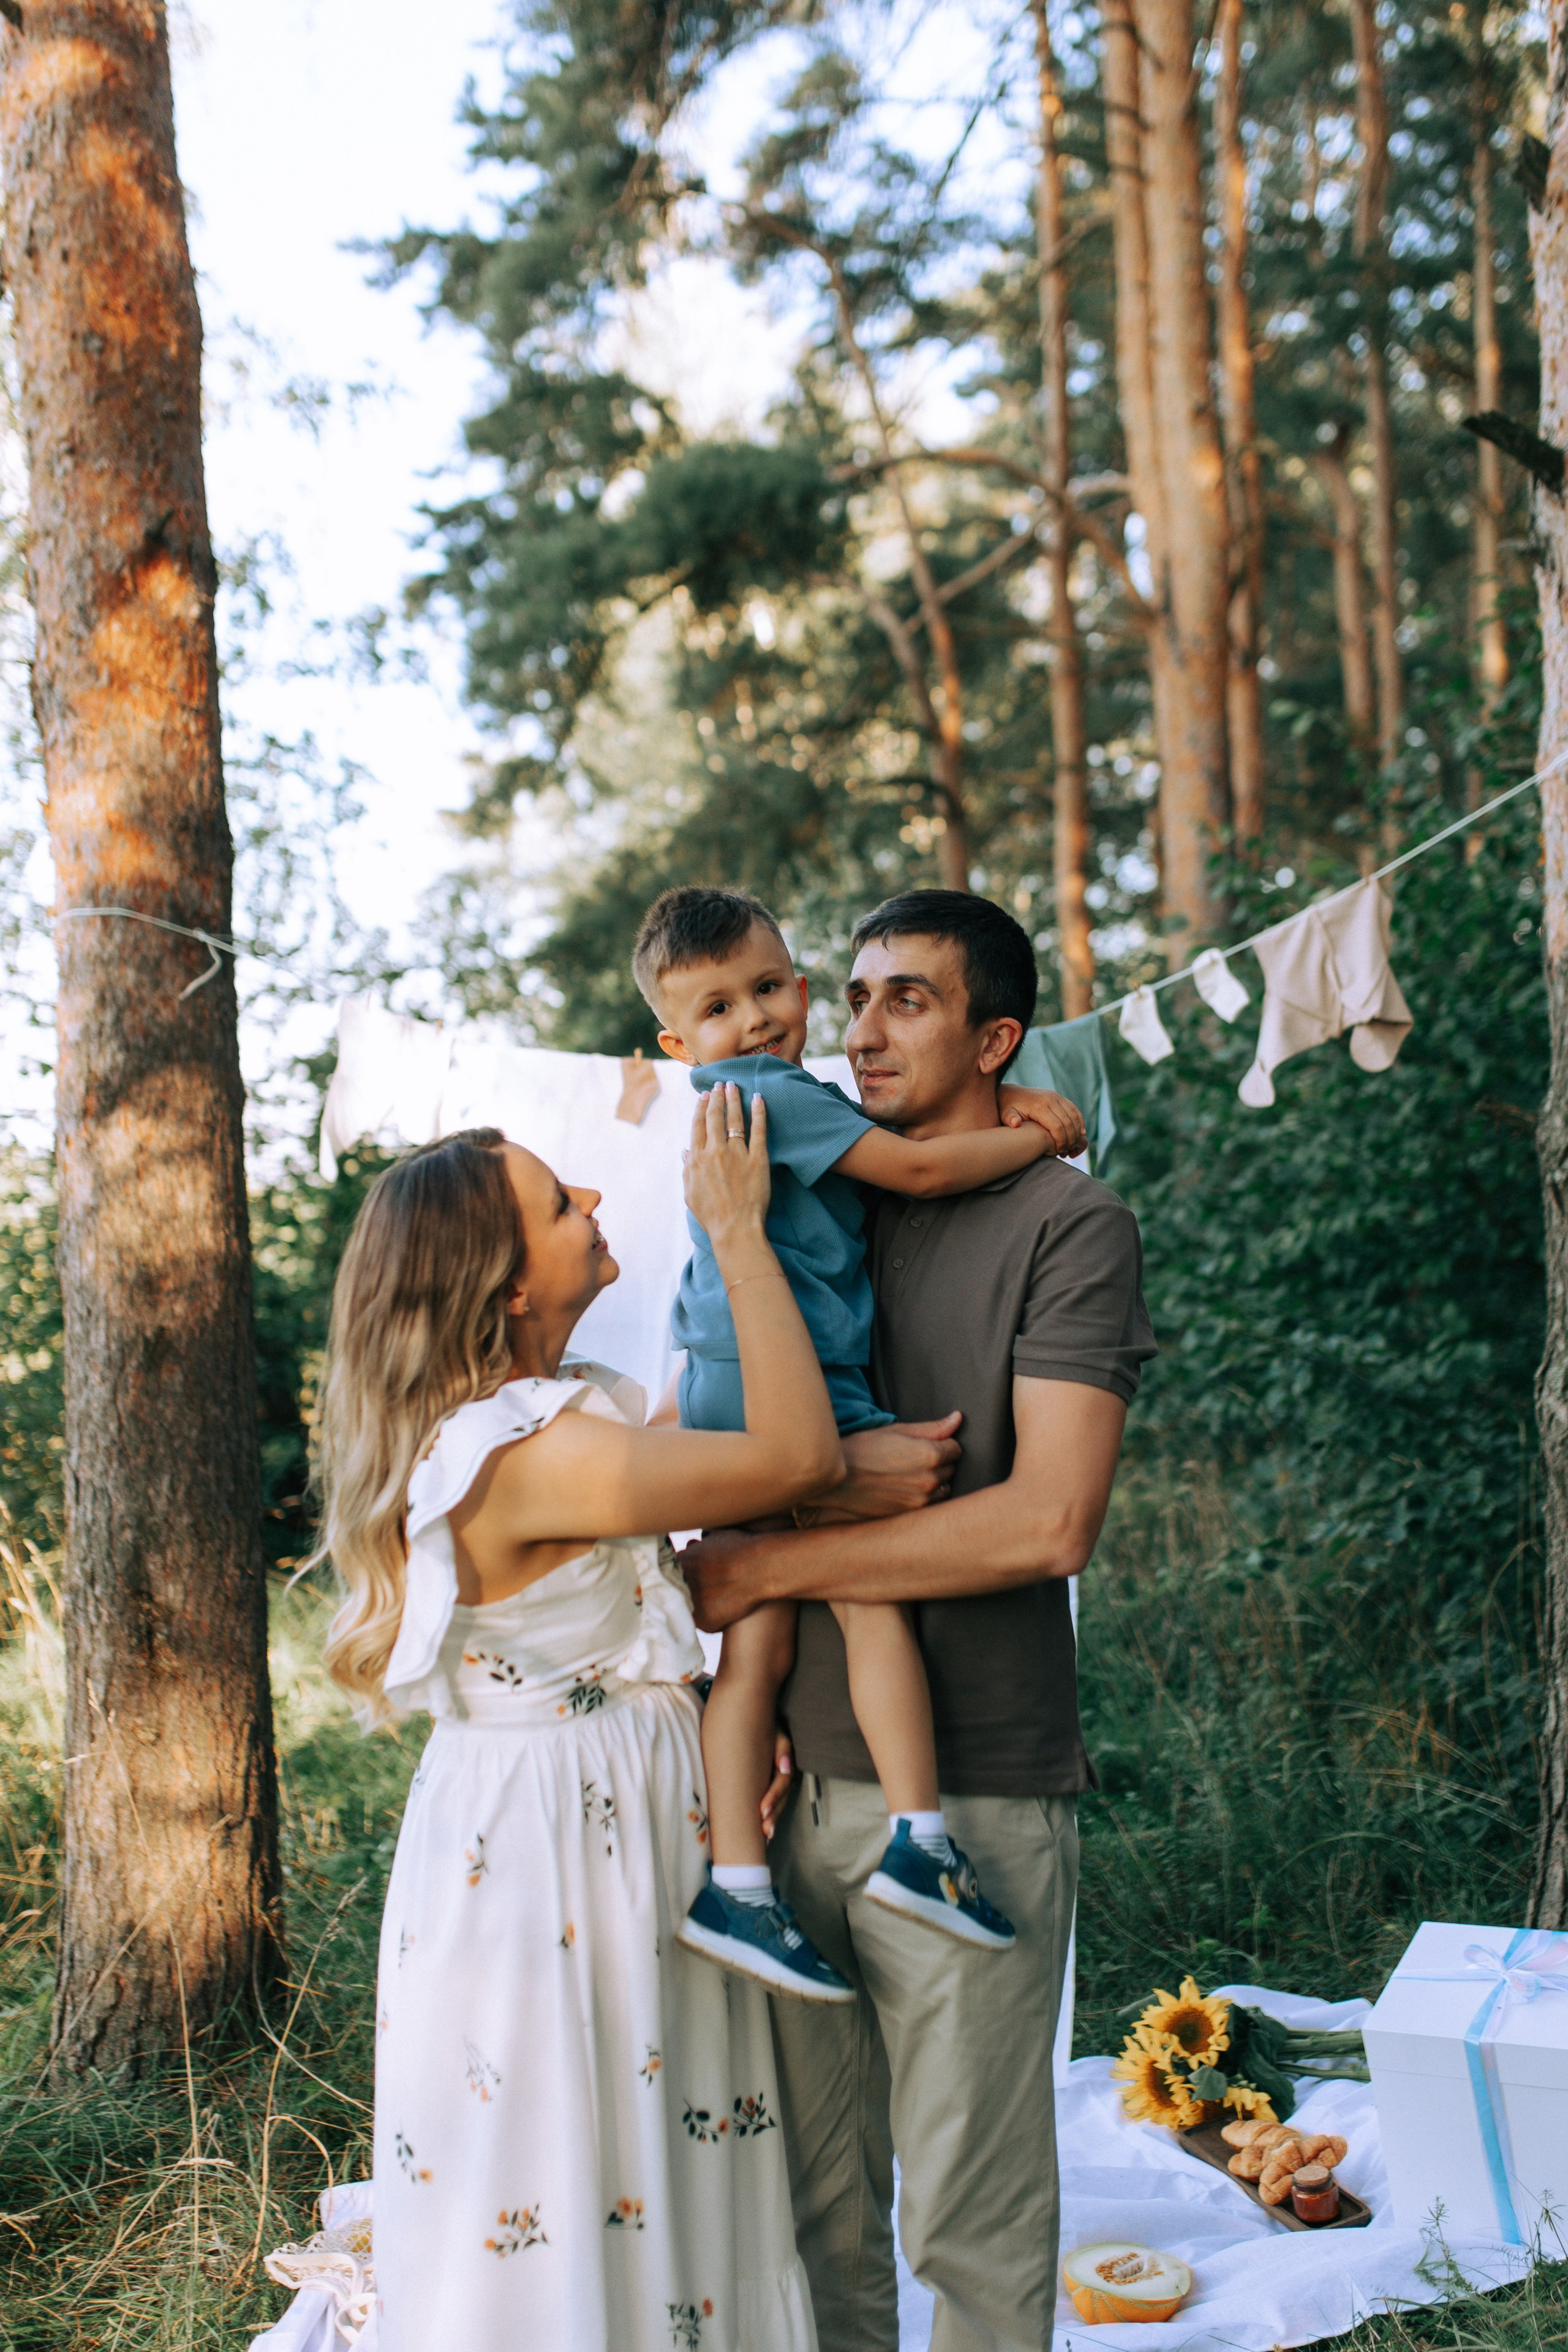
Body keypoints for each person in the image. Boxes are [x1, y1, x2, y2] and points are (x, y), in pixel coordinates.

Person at [680, 889, 1158, 2352]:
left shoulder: (1065, 1224)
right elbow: (710, 1441)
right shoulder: (804, 1186)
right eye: (861, 991)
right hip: (788, 1785)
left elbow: (1043, 1523)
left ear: (995, 1038)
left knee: (969, 2214)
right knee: (815, 2211)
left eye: (911, 1002)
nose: (860, 1027)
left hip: (975, 1783)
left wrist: (767, 1566)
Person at [308, 1090, 843, 2352]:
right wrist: (739, 1233)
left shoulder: (557, 1418)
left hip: (587, 1807)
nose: (596, 1202)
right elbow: (801, 1458)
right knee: (570, 2152)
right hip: (560, 1849)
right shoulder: (525, 1455)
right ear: (501, 1286)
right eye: (561, 1203)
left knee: (637, 2139)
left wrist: (707, 1713)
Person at [630, 885, 1087, 1999]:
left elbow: (898, 1141)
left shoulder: (774, 1106)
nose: (760, 1020)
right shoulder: (775, 1100)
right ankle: (919, 1841)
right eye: (721, 1007)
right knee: (869, 1597)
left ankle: (737, 1885)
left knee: (755, 1651)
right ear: (675, 1041)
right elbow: (926, 1167)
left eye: (773, 989)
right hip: (794, 1395)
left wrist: (998, 1087)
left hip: (724, 1388)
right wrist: (1030, 1133)